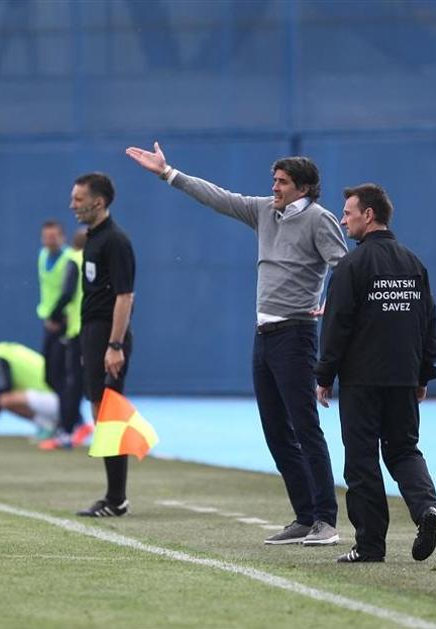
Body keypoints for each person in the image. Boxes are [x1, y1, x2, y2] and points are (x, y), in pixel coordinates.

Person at [126, 142, 346, 545]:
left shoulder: (319, 219)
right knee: (276, 431)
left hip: (296, 334)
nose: (274, 187)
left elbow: (344, 268)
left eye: (282, 182)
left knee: (305, 428)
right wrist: (168, 173)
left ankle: (326, 521)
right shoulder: (264, 211)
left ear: (304, 188)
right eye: (274, 180)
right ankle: (304, 516)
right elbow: (220, 198)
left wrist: (332, 301)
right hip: (264, 336)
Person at [314, 184, 436, 564]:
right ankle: (426, 507)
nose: (343, 220)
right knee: (403, 449)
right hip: (404, 377)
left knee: (362, 459)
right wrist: (424, 373)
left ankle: (370, 545)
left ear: (368, 215)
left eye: (348, 213)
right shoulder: (413, 263)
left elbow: (337, 325)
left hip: (362, 380)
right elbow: (428, 322)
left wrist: (324, 375)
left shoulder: (351, 266)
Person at [70, 172, 136, 517]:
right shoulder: (92, 238)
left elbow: (125, 297)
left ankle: (116, 499)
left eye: (78, 199)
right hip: (93, 334)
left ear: (98, 202)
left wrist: (115, 345)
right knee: (100, 412)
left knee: (109, 414)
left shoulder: (115, 241)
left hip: (109, 335)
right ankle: (114, 496)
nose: (72, 205)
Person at [39, 228, 94, 450]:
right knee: (76, 382)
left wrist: (54, 316)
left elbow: (67, 293)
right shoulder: (94, 261)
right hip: (92, 327)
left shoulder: (73, 259)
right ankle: (76, 425)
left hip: (74, 328)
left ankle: (67, 430)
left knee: (72, 382)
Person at [35, 220, 79, 441]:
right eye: (46, 237)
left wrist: (59, 317)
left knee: (64, 375)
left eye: (53, 237)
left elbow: (68, 292)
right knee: (50, 376)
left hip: (64, 322)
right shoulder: (42, 256)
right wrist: (48, 316)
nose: (49, 241)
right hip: (48, 321)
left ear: (62, 237)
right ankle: (73, 418)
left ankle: (68, 423)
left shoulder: (69, 258)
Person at [0, 336, 59, 439]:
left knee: (4, 400)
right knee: (9, 395)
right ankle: (54, 424)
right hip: (59, 397)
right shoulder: (6, 349)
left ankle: (49, 426)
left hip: (53, 399)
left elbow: (5, 387)